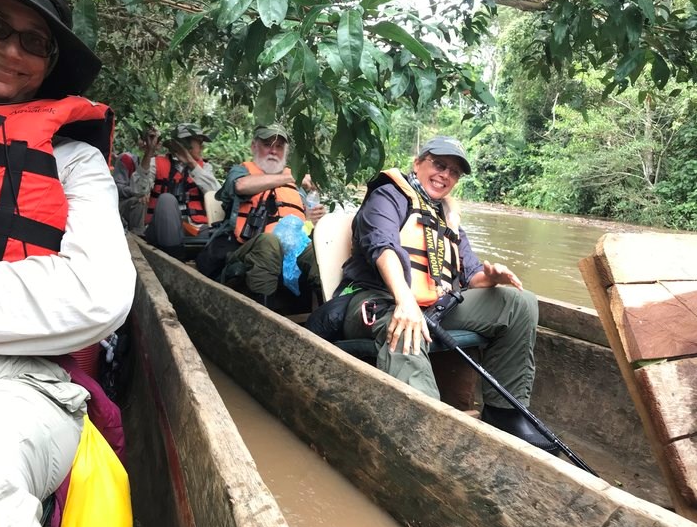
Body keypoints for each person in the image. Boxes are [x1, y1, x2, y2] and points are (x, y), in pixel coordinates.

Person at [0, 0, 135, 527]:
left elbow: (95, 295)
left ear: (48, 68)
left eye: (33, 42)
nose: (11, 51)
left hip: (21, 382)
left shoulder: (75, 162)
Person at [339, 136, 557, 454]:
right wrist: (405, 301)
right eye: (439, 164)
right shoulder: (388, 196)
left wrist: (491, 278)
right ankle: (428, 436)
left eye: (453, 172)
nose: (445, 175)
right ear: (419, 163)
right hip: (381, 300)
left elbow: (470, 275)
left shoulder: (446, 216)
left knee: (520, 303)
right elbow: (381, 247)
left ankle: (505, 414)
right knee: (407, 329)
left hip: (436, 306)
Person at [198, 123, 325, 307]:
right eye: (267, 144)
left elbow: (303, 221)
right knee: (269, 242)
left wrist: (312, 219)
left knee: (320, 251)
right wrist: (293, 176)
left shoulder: (296, 186)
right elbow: (240, 186)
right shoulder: (241, 171)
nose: (273, 151)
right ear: (254, 146)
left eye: (279, 146)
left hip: (291, 252)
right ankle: (264, 318)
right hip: (246, 249)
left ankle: (325, 318)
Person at [139, 122, 220, 259]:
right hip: (161, 231)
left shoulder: (204, 168)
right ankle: (174, 261)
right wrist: (148, 153)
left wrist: (191, 163)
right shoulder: (154, 163)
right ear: (185, 144)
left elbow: (217, 195)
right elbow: (137, 190)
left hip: (197, 229)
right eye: (199, 142)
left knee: (220, 234)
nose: (202, 147)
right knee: (166, 199)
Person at [112, 125, 159, 234]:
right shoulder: (127, 158)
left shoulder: (157, 161)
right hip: (126, 204)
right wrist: (137, 193)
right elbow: (118, 188)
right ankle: (138, 235)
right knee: (139, 202)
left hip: (150, 203)